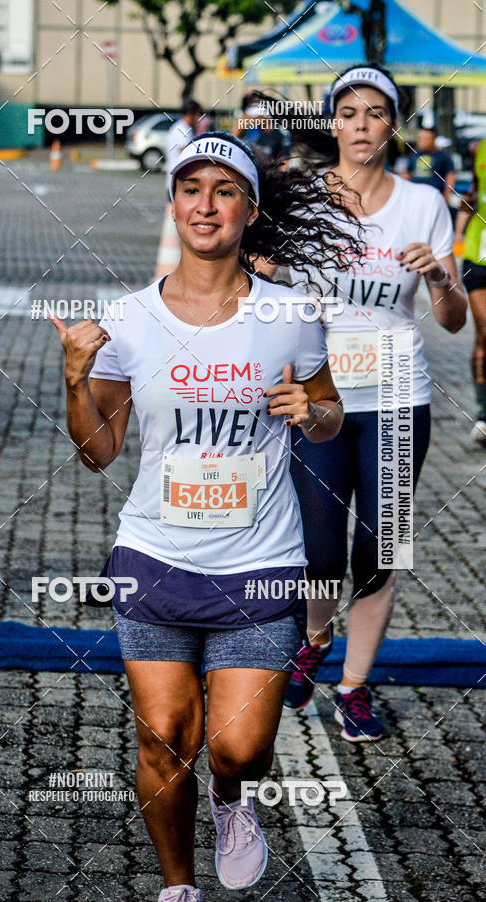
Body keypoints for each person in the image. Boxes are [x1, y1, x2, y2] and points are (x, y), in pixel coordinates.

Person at [52, 131, 363, 900]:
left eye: (226, 191)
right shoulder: (129, 319)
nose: (207, 205)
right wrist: (73, 381)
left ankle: (232, 800)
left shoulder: (290, 314)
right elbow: (100, 452)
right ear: (174, 202)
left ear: (250, 210)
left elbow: (328, 415)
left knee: (241, 748)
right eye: (192, 188)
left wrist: (310, 412)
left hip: (259, 563)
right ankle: (178, 885)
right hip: (155, 555)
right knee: (163, 736)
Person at [262, 63, 467, 741]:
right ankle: (316, 638)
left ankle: (354, 686)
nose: (361, 126)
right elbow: (269, 288)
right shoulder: (303, 200)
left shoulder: (423, 205)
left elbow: (454, 320)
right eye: (348, 113)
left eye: (375, 113)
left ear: (393, 125)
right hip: (320, 400)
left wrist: (439, 275)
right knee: (319, 551)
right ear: (332, 122)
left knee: (379, 551)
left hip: (399, 400)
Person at [454, 137, 486, 444]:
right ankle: (483, 414)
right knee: (485, 331)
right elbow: (473, 193)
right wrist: (458, 234)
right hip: (480, 254)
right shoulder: (479, 147)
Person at [403, 124, 456, 205]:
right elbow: (407, 174)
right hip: (415, 198)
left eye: (424, 139)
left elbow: (451, 176)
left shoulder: (443, 156)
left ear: (433, 139)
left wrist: (446, 196)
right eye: (420, 138)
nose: (420, 141)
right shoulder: (415, 155)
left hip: (434, 200)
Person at [166, 100, 204, 198]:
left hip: (178, 180)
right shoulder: (182, 129)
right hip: (178, 181)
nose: (200, 118)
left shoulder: (183, 127)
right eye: (199, 114)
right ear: (191, 114)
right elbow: (186, 149)